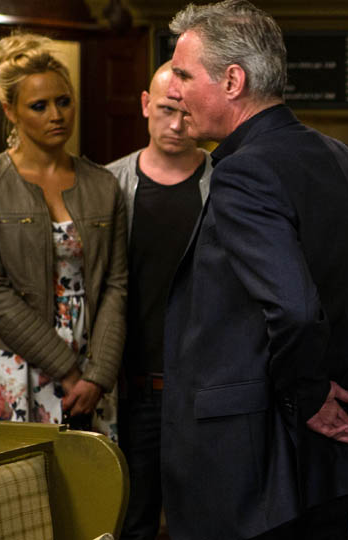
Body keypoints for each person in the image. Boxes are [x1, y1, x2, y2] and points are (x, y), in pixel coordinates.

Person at [160, 2, 348, 539]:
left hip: (248, 470)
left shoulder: (244, 171)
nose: (173, 90)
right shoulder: (339, 156)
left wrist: (312, 396)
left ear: (233, 80)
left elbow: (297, 311)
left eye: (185, 74)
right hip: (323, 464)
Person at [0, 33, 126, 441]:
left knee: (89, 495)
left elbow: (116, 284)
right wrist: (68, 370)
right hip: (10, 358)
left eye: (64, 101)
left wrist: (98, 375)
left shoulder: (103, 184)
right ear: (11, 111)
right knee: (9, 497)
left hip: (91, 368)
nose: (56, 115)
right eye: (39, 106)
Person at [106, 61, 211, 540]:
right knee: (130, 519)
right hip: (132, 390)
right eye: (166, 109)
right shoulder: (109, 187)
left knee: (206, 521)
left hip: (204, 389)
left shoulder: (226, 184)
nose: (176, 125)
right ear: (146, 106)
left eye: (187, 114)